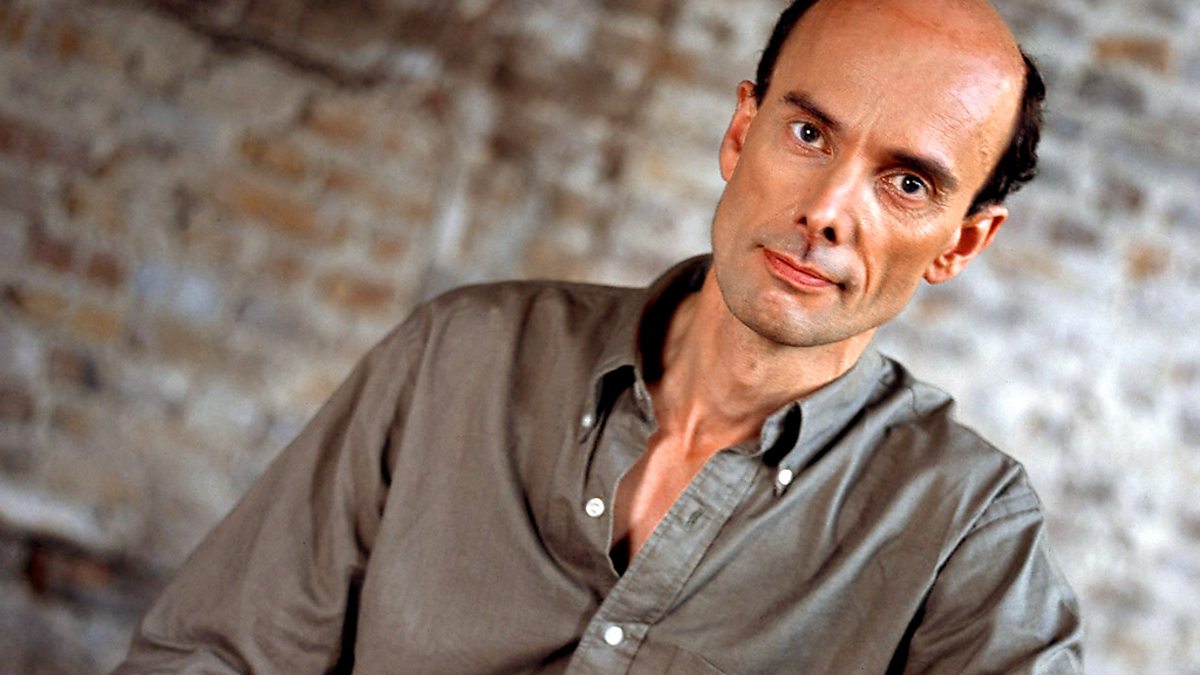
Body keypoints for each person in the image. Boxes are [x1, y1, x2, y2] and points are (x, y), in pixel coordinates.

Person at [114, 0, 1083, 672]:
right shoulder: (464, 355)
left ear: (961, 242)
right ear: (740, 133)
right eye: (808, 134)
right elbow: (216, 655)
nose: (828, 210)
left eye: (906, 182)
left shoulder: (965, 531)